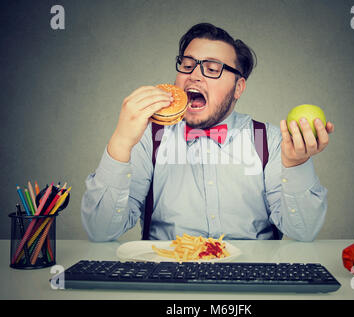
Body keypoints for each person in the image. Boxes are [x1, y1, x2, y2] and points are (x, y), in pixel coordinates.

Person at [81, 23, 334, 242]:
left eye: (212, 69)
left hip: (252, 276)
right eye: (187, 65)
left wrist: (297, 164)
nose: (194, 76)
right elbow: (101, 232)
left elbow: (304, 232)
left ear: (238, 87)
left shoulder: (271, 140)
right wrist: (121, 142)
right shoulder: (147, 137)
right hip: (167, 276)